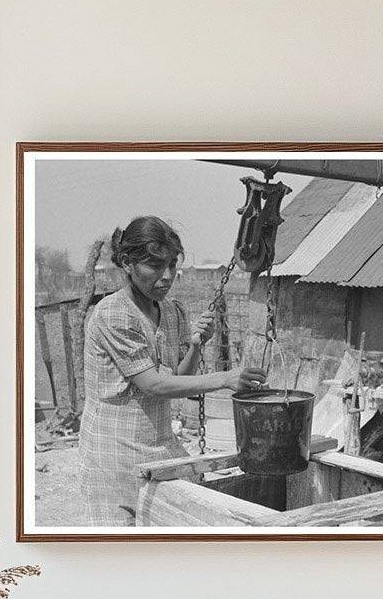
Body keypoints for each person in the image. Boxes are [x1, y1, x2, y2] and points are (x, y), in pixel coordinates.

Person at [78, 216, 265, 526]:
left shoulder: (169, 310)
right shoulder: (114, 313)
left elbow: (176, 376)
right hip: (112, 456)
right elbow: (153, 385)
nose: (167, 276)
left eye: (172, 265)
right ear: (127, 263)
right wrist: (226, 378)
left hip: (159, 446)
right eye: (155, 266)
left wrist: (195, 345)